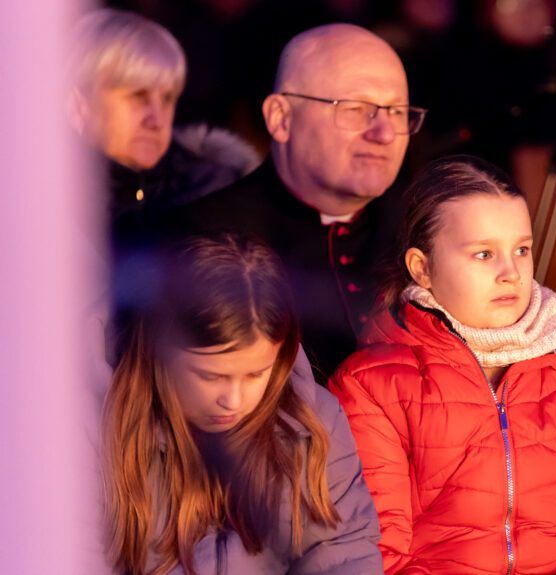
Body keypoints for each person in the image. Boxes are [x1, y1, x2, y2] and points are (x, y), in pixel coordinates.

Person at [329, 156, 556, 574]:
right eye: (483, 254)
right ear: (422, 268)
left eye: (522, 250)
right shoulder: (370, 385)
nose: (510, 273)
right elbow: (376, 551)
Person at [101, 234, 382, 574]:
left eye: (255, 374)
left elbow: (342, 551)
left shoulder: (312, 421)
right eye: (210, 376)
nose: (232, 400)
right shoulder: (95, 425)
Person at [169, 23, 425, 383]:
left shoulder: (426, 225)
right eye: (355, 108)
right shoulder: (198, 237)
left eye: (397, 112)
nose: (383, 133)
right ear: (281, 118)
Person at [66, 8, 260, 255]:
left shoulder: (212, 195)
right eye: (138, 95)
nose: (156, 120)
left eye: (168, 98)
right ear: (78, 105)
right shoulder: (34, 210)